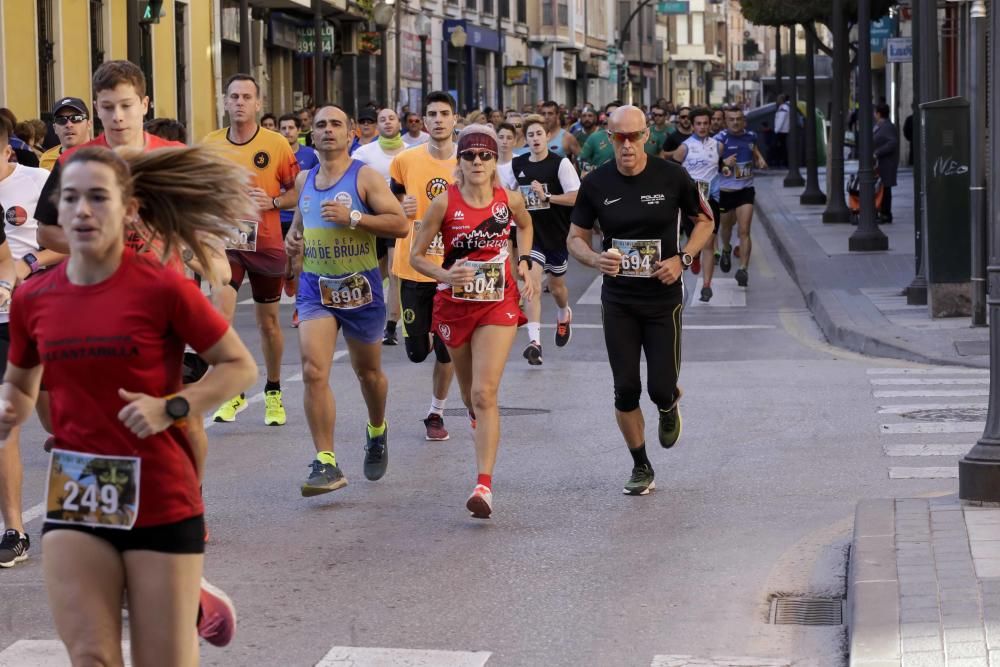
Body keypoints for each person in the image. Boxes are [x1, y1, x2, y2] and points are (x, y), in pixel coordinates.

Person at [0, 144, 258, 665]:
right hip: (83, 485)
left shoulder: (160, 286)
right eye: (71, 199)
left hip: (160, 491)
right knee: (91, 657)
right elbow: (22, 384)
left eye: (99, 197)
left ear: (129, 208)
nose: (83, 210)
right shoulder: (34, 297)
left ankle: (191, 592)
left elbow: (239, 367)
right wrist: (13, 403)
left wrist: (173, 408)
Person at [567, 105, 713, 497]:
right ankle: (640, 465)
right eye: (619, 137)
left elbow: (705, 220)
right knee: (626, 388)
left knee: (660, 387)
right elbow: (575, 238)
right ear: (608, 138)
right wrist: (596, 259)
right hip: (619, 300)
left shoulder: (672, 176)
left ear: (647, 136)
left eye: (634, 136)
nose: (627, 145)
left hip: (663, 298)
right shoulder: (596, 184)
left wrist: (682, 260)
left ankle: (669, 405)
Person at [410, 124, 537, 518]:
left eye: (485, 155)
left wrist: (525, 263)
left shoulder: (509, 200)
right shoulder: (443, 204)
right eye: (470, 155)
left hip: (497, 303)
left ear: (493, 160)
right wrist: (446, 276)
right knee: (468, 397)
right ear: (459, 162)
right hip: (454, 304)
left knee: (485, 393)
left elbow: (526, 226)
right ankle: (473, 416)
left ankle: (484, 485)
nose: (478, 161)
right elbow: (416, 256)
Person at [283, 105, 408, 496]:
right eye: (320, 125)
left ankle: (376, 429)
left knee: (368, 374)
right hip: (315, 289)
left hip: (360, 288)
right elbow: (302, 225)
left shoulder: (365, 176)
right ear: (312, 136)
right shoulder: (305, 179)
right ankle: (326, 460)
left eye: (337, 124)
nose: (328, 131)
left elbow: (400, 224)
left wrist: (354, 218)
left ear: (351, 132)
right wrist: (293, 242)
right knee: (313, 370)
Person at [203, 73, 301, 425]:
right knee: (221, 313)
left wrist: (273, 200)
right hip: (226, 243)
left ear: (258, 103)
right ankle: (234, 390)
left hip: (267, 243)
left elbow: (296, 191)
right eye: (234, 96)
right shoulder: (211, 144)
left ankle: (273, 390)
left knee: (268, 323)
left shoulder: (276, 144)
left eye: (247, 96)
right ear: (225, 102)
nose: (240, 102)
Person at [389, 91, 460, 442]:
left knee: (446, 350)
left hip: (452, 269)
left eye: (444, 114)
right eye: (431, 114)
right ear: (423, 119)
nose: (438, 120)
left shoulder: (470, 159)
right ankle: (429, 334)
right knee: (418, 353)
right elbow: (392, 194)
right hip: (413, 266)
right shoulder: (406, 159)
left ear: (454, 119)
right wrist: (400, 205)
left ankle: (436, 412)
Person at [502, 114, 579, 365]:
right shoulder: (518, 164)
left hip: (556, 233)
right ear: (526, 139)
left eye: (539, 134)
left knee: (557, 288)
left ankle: (563, 313)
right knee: (531, 284)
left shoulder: (561, 164)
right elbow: (511, 193)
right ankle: (534, 342)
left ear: (548, 137)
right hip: (530, 234)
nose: (535, 139)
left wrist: (547, 196)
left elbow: (576, 197)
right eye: (531, 135)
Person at [0, 116, 42, 569]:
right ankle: (14, 529)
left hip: (42, 312)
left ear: (8, 150)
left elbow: (66, 240)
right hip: (2, 319)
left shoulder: (39, 182)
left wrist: (25, 267)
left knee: (60, 426)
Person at [352, 107, 407, 344]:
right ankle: (361, 314)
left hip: (398, 217)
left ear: (398, 123)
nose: (386, 122)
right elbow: (351, 179)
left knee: (395, 270)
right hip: (372, 218)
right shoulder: (364, 152)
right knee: (373, 271)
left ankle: (391, 325)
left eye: (391, 118)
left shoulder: (410, 152)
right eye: (382, 119)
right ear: (377, 125)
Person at [672, 107, 722, 302]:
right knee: (695, 239)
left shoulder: (718, 146)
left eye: (705, 124)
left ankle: (707, 285)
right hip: (690, 202)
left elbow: (722, 167)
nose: (702, 127)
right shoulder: (684, 147)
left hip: (711, 201)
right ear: (693, 126)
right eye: (698, 124)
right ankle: (694, 254)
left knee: (709, 242)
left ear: (710, 125)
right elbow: (674, 171)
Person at [715, 106, 767, 288]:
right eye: (731, 119)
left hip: (746, 189)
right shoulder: (720, 140)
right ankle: (727, 248)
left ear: (743, 121)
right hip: (725, 192)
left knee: (744, 230)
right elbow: (710, 164)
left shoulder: (751, 136)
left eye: (739, 119)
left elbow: (753, 148)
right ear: (725, 121)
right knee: (726, 228)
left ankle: (743, 269)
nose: (735, 122)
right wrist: (723, 163)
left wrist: (759, 159)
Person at [40, 98, 93, 171]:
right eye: (61, 119)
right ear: (55, 128)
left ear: (89, 124)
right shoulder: (46, 159)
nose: (69, 125)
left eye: (76, 118)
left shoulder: (104, 155)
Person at [873, 103, 899, 224]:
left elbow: (892, 143)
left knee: (886, 189)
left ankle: (886, 213)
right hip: (881, 164)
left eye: (875, 112)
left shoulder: (887, 127)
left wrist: (877, 152)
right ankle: (882, 212)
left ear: (879, 114)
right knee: (882, 189)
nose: (874, 115)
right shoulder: (881, 126)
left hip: (887, 163)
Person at [580, 101, 621, 174]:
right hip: (601, 181)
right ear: (605, 117)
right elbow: (581, 159)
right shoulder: (595, 137)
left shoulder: (631, 136)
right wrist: (593, 169)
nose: (613, 116)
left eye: (617, 114)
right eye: (609, 114)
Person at [496, 122, 517, 188]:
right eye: (501, 137)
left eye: (509, 138)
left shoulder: (521, 161)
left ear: (514, 141)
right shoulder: (488, 162)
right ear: (495, 139)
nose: (505, 141)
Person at [771, 94, 790, 168]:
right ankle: (783, 162)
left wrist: (776, 130)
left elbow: (781, 120)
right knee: (782, 147)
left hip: (781, 131)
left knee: (780, 147)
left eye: (778, 99)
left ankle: (781, 162)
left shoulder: (783, 108)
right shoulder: (783, 107)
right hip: (782, 130)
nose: (777, 101)